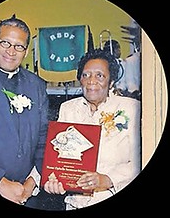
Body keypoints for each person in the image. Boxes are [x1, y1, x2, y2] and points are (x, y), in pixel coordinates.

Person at [43, 48, 141, 210]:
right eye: (86, 75)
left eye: (99, 75)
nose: (91, 81)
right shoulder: (68, 108)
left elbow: (141, 159)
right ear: (80, 80)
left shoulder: (132, 109)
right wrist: (54, 179)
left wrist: (109, 179)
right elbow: (59, 158)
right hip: (75, 203)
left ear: (111, 82)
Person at [0, 15, 49, 208]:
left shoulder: (37, 85)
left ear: (26, 51)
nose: (11, 51)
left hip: (28, 192)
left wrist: (33, 180)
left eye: (19, 46)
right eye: (5, 43)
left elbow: (44, 136)